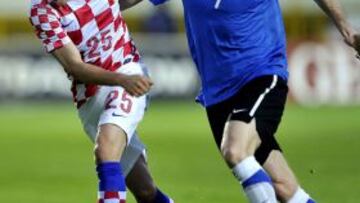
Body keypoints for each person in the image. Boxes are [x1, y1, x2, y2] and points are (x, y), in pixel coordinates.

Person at [144, 0, 360, 202]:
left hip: (261, 74)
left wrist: (344, 25)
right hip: (217, 92)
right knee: (283, 186)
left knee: (236, 151)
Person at [28, 0, 175, 202]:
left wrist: (123, 79)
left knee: (105, 150)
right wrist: (121, 80)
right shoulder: (41, 10)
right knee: (145, 191)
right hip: (92, 94)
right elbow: (74, 66)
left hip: (126, 67)